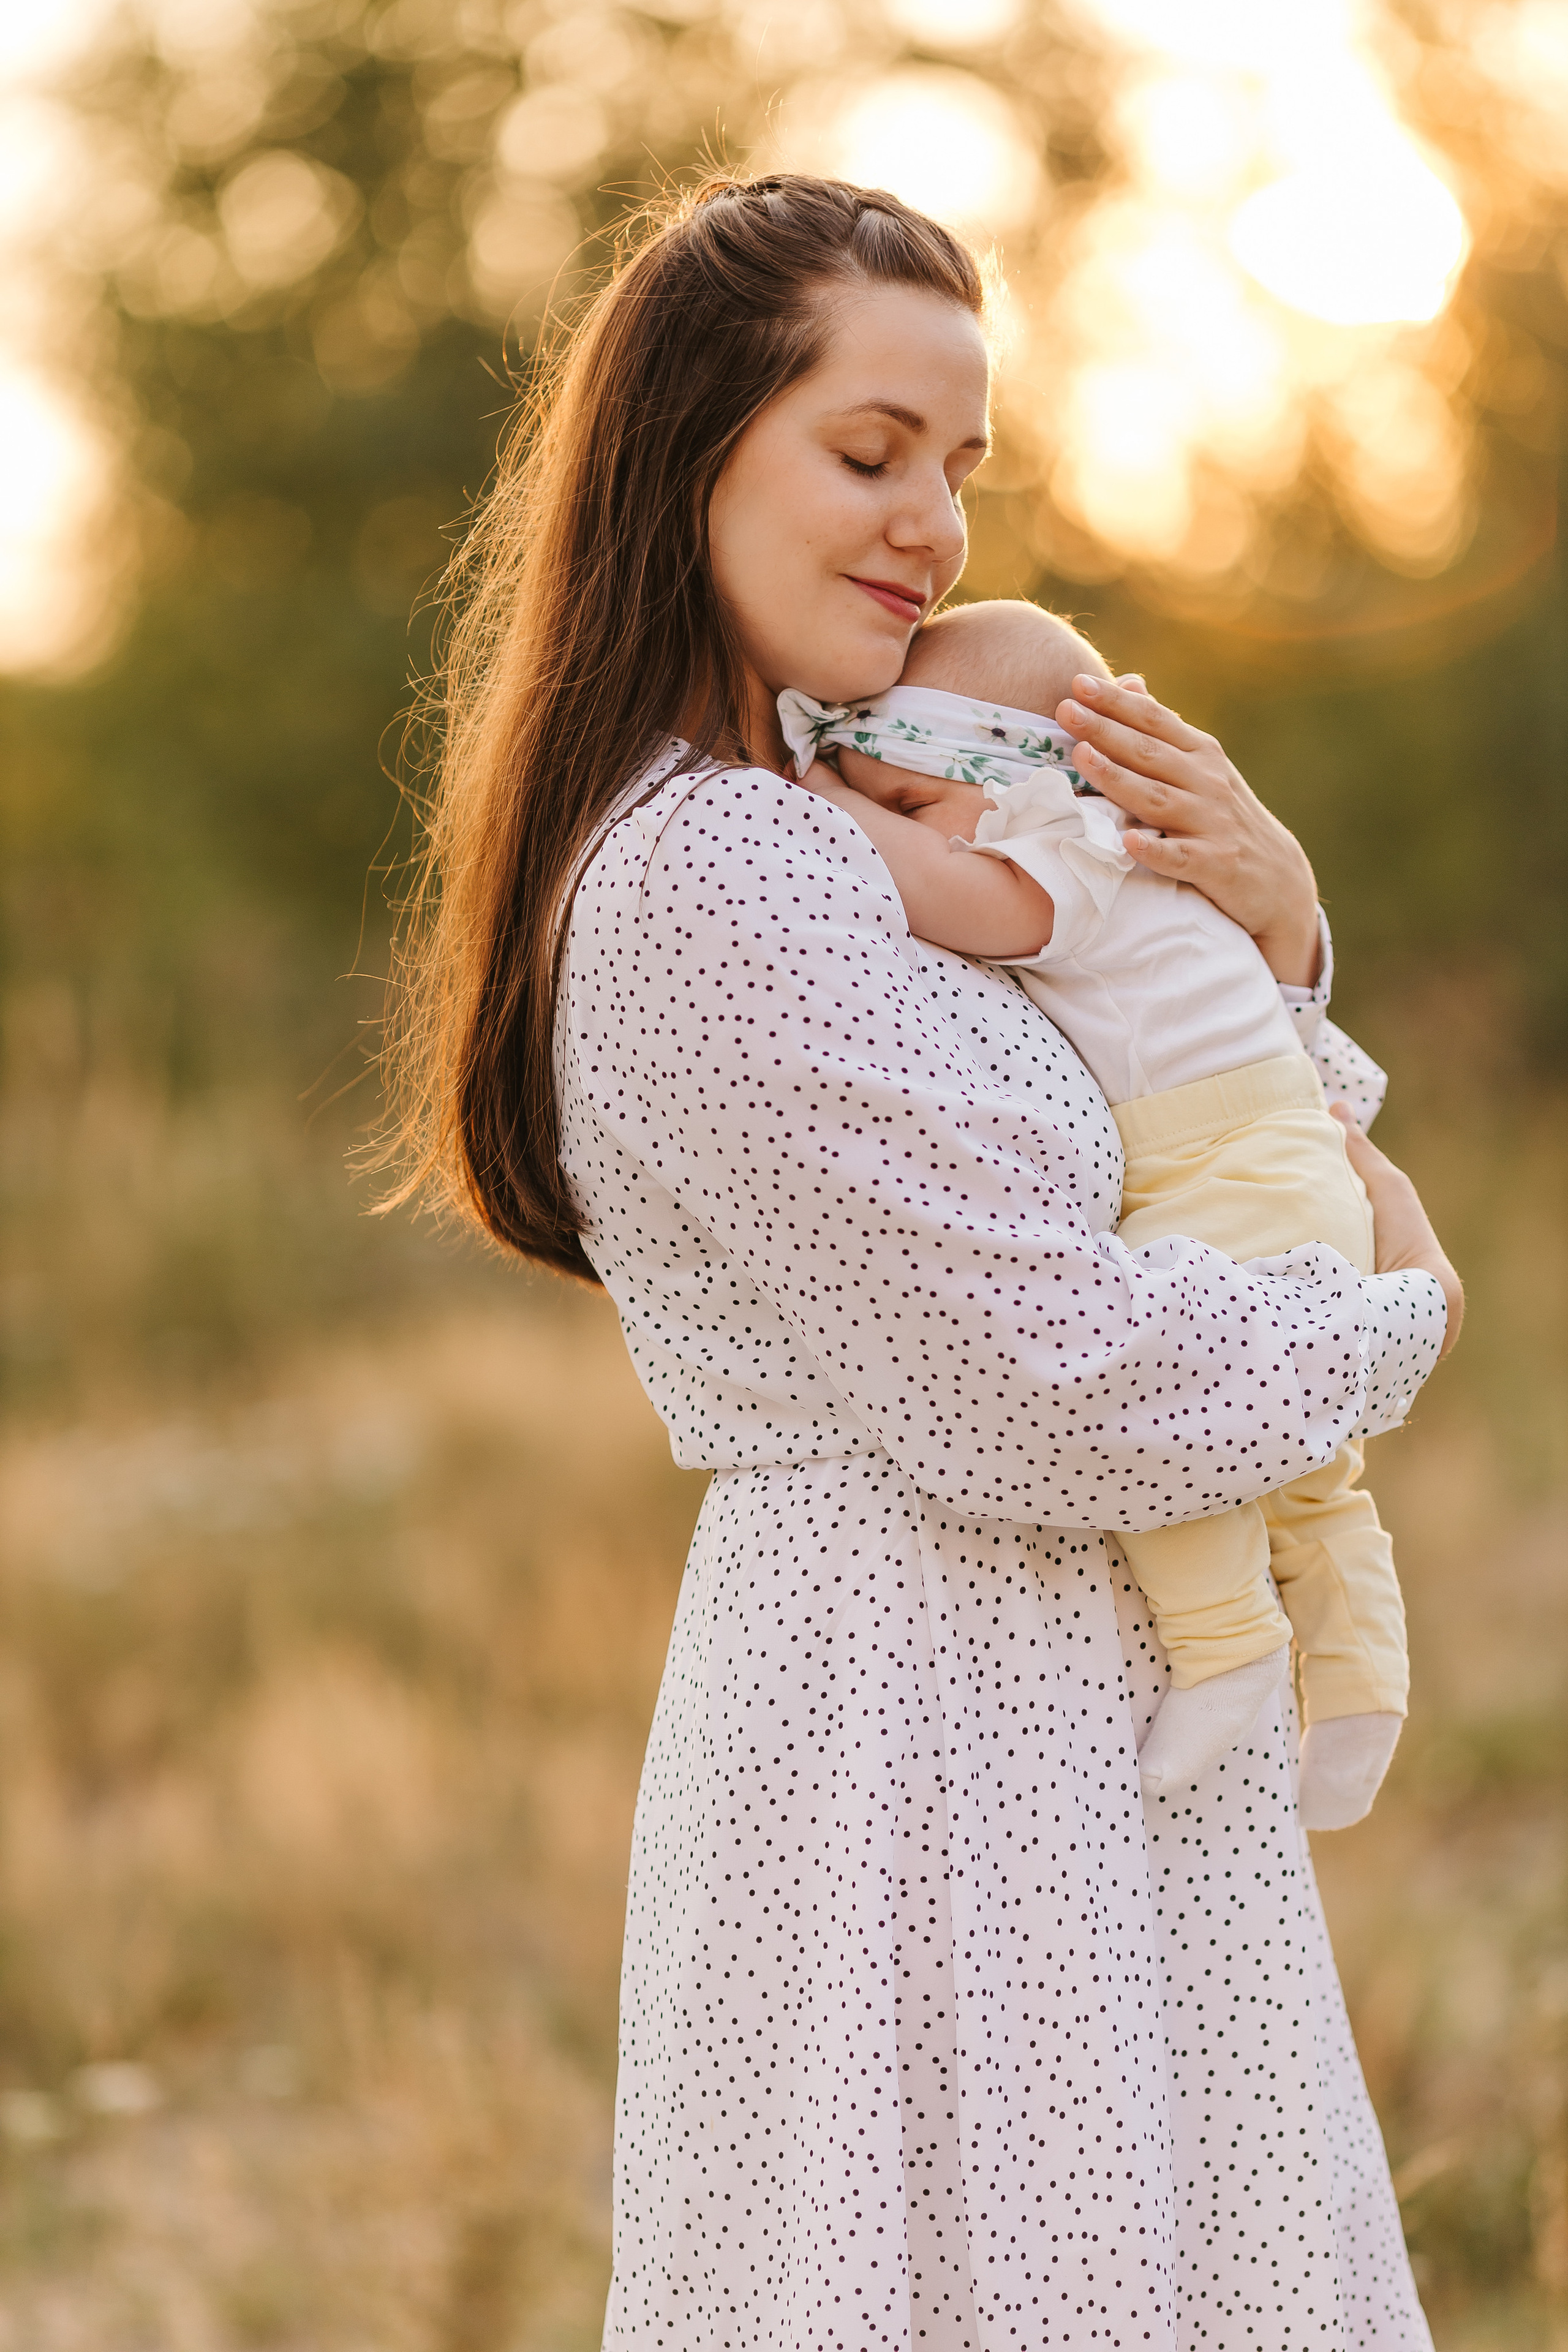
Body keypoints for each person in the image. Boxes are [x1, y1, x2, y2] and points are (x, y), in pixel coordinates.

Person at [382, 173, 1461, 2350]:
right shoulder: (723, 877)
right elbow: (1044, 1377)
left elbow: (1168, 1133)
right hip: (932, 1729)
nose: (933, 530)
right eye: (867, 453)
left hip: (1062, 1712)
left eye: (958, 470)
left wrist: (1277, 935)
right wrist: (1385, 1327)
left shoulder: (866, 821)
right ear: (684, 456)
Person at [778, 600, 1412, 1827]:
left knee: (1175, 1433)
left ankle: (1224, 1643)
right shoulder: (1119, 863)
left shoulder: (1075, 853)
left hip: (1220, 1169)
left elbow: (953, 895)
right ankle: (1359, 1685)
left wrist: (812, 793)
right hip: (1277, 1163)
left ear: (1013, 777)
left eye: (907, 800)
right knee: (1310, 1477)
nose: (889, 823)